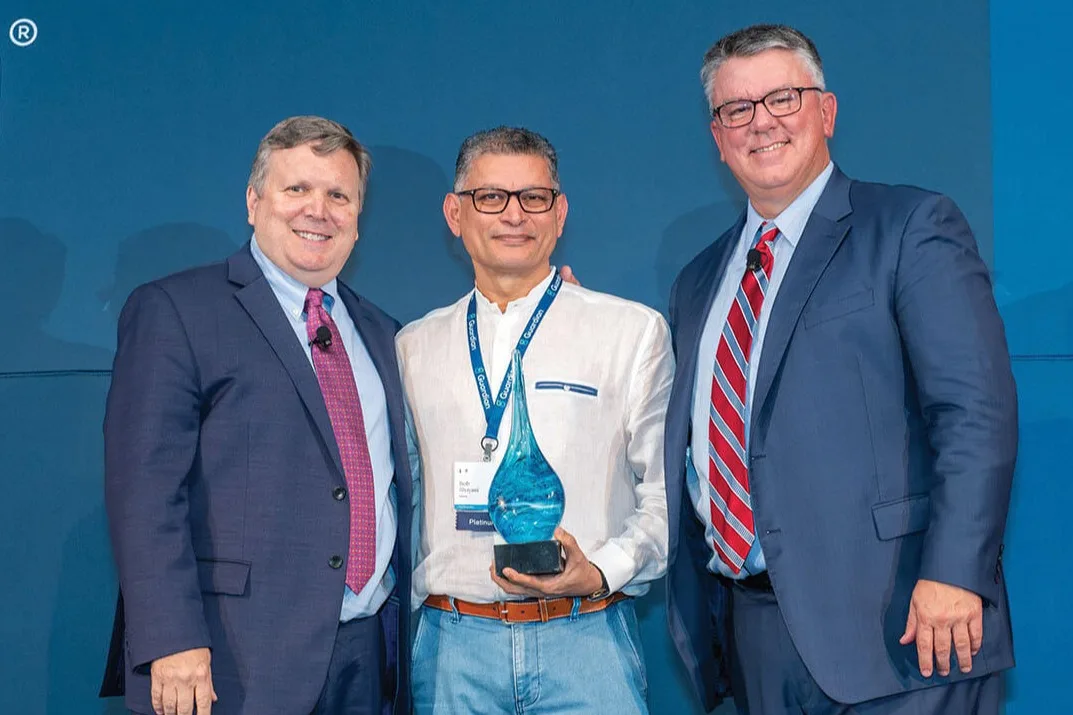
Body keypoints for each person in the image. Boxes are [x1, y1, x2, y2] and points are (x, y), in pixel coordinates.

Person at [663, 24, 1018, 715]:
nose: (760, 122)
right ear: (716, 135)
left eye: (781, 98)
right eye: (736, 108)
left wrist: (954, 570)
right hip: (755, 630)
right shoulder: (697, 280)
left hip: (904, 622)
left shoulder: (909, 225)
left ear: (824, 111)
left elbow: (972, 410)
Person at [101, 116, 413, 715]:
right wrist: (172, 639)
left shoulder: (382, 332)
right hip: (230, 658)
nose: (318, 210)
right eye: (297, 189)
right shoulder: (176, 309)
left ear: (357, 216)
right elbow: (143, 491)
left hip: (369, 654)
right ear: (253, 201)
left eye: (338, 195)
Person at [396, 126, 671, 714]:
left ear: (560, 211)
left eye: (534, 197)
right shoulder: (412, 346)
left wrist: (598, 571)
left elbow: (666, 496)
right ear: (455, 212)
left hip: (587, 642)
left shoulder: (630, 333)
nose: (513, 215)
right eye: (490, 197)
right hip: (452, 650)